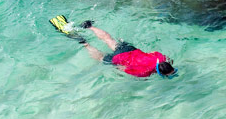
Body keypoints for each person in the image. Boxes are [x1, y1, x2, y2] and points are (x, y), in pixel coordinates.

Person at [49, 15, 177, 78]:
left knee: (109, 40)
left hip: (130, 50)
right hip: (121, 59)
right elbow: (122, 68)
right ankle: (84, 43)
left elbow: (153, 52)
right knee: (100, 58)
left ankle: (89, 26)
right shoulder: (143, 73)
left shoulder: (160, 58)